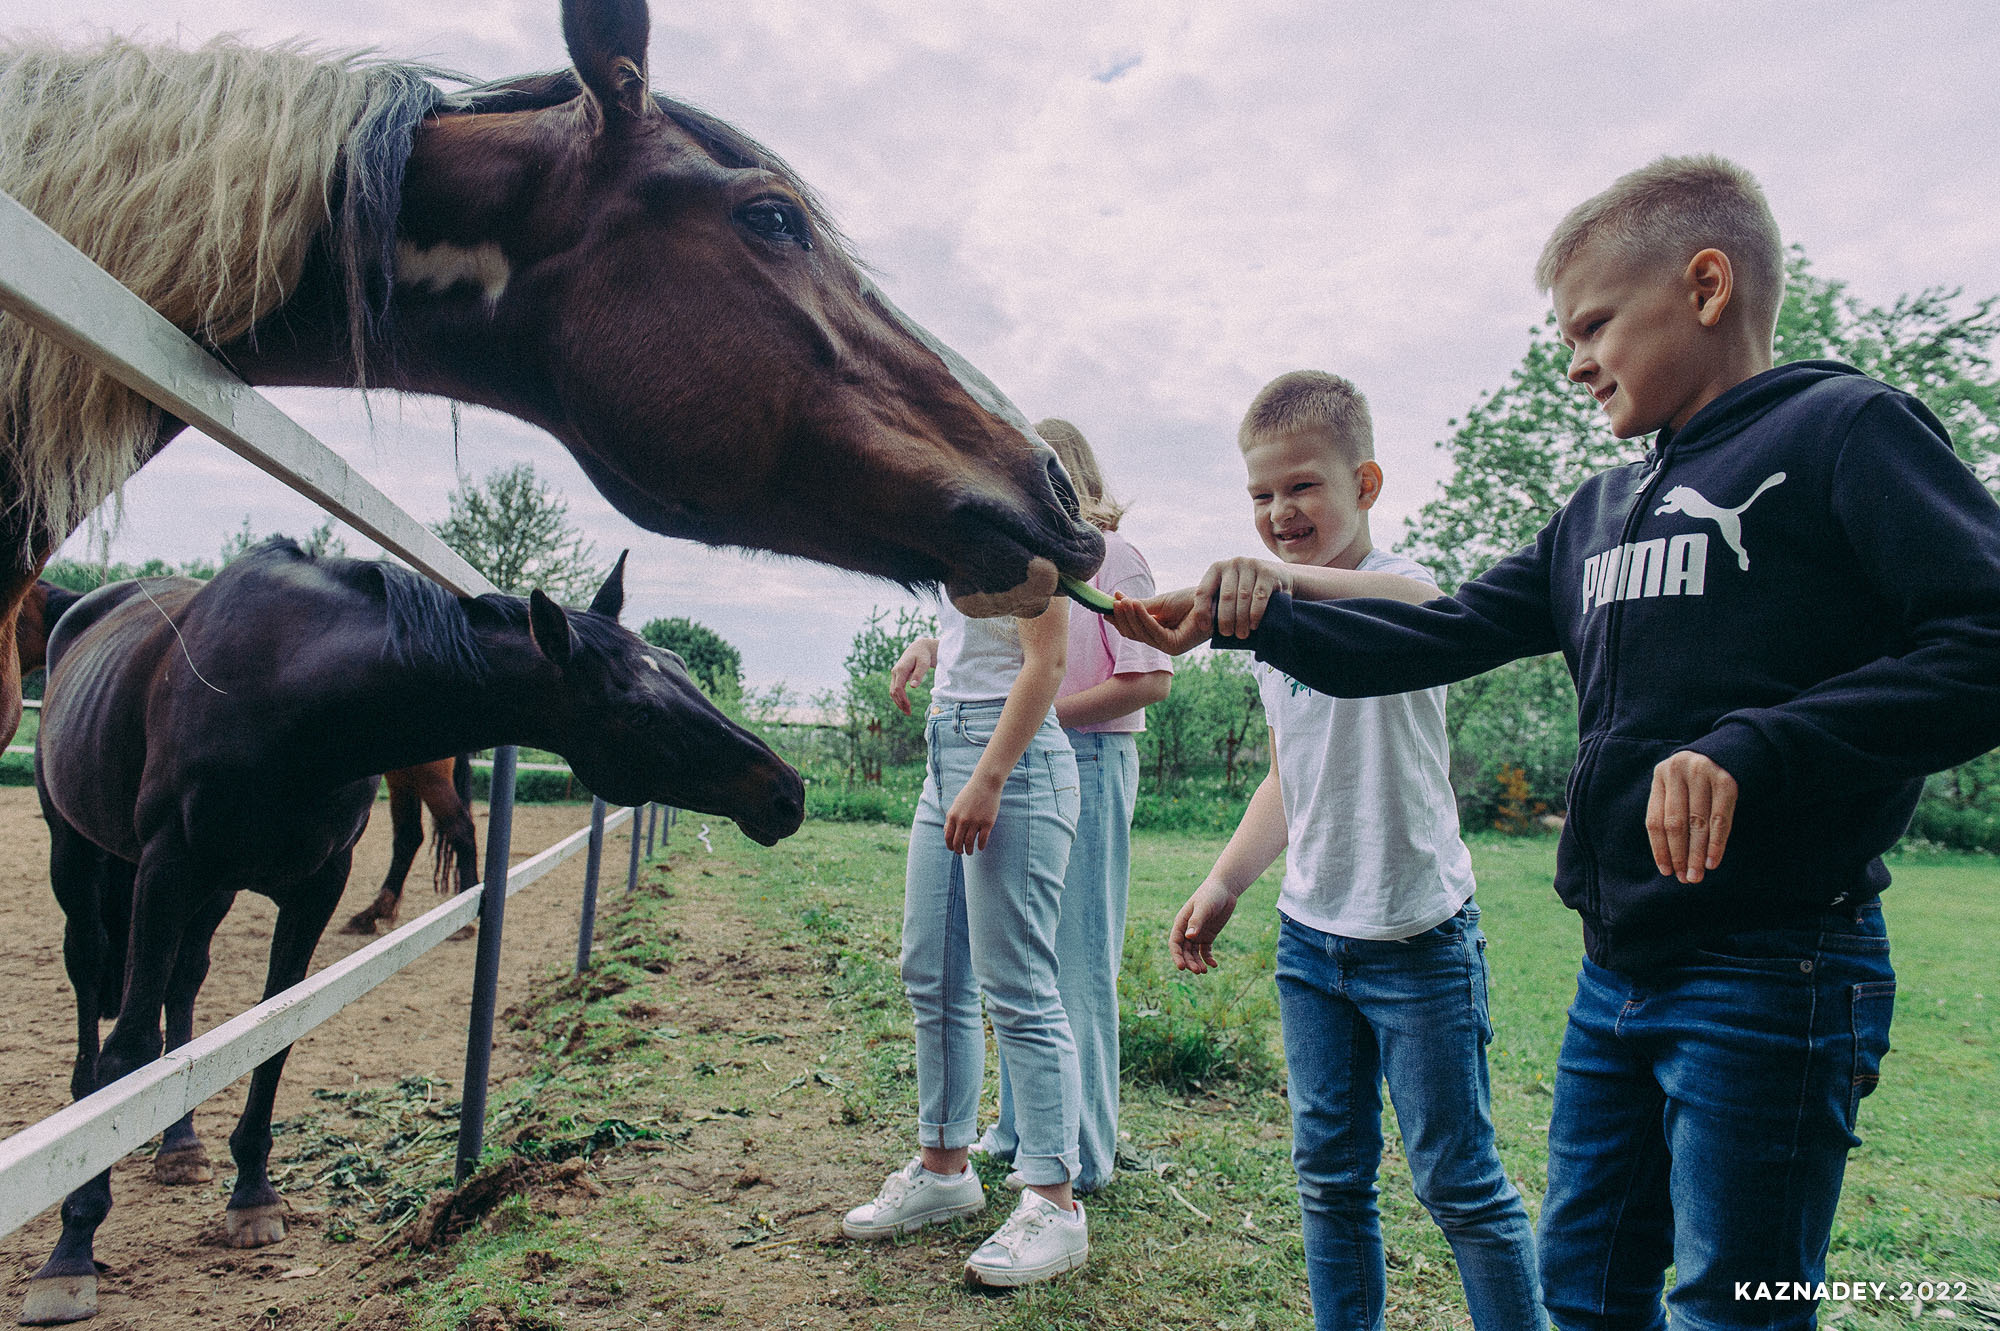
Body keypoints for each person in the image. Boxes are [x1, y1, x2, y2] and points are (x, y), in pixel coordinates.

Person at [1115, 155, 2000, 1331]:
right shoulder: (1593, 511)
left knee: (1727, 1309)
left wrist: (1760, 746)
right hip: (1613, 970)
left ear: (1704, 284)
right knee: (1579, 1293)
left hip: (1775, 968)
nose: (1572, 360)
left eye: (1591, 324)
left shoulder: (1844, 429)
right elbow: (1429, 636)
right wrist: (1249, 619)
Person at [1155, 370, 1542, 1331]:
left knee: (1458, 1181)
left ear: (1365, 484)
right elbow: (1293, 775)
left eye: (1302, 487)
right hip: (1312, 944)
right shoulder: (1274, 634)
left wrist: (1282, 582)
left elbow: (1421, 601)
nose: (1280, 514)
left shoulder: (1399, 589)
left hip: (1419, 943)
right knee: (1328, 1176)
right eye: (1260, 495)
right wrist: (1223, 877)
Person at [897, 418, 1175, 1196]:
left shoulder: (1116, 556)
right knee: (1013, 958)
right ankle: (1017, 1132)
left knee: (1073, 960)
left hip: (1081, 752)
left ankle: (1084, 1150)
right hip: (1014, 743)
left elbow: (1150, 678)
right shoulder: (1004, 551)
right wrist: (932, 644)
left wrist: (1039, 722)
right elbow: (996, 642)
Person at [839, 555, 1088, 1287]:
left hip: (1010, 757)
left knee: (1018, 986)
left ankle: (1054, 1200)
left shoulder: (1030, 530)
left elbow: (1045, 662)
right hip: (945, 748)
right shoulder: (964, 529)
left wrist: (989, 777)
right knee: (933, 970)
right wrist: (934, 646)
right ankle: (944, 1168)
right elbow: (991, 641)